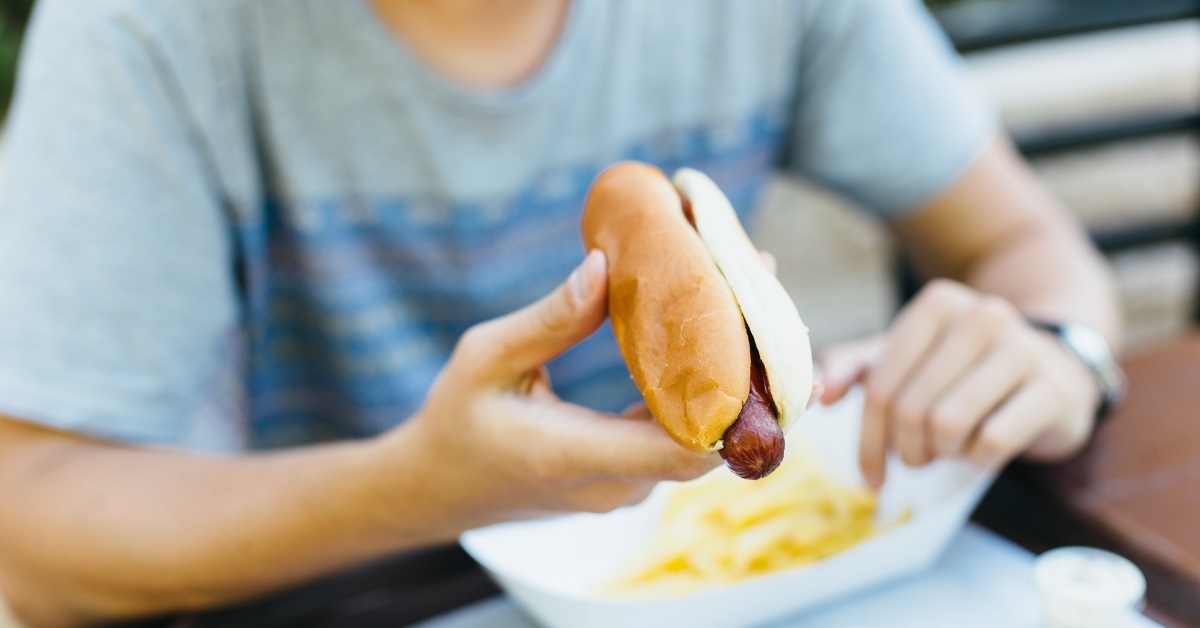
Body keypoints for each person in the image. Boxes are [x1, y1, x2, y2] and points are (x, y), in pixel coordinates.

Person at [0, 0, 1120, 624]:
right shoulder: (146, 31)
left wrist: (1052, 352)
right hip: (360, 594)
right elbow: (33, 528)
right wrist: (416, 488)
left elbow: (1025, 247)